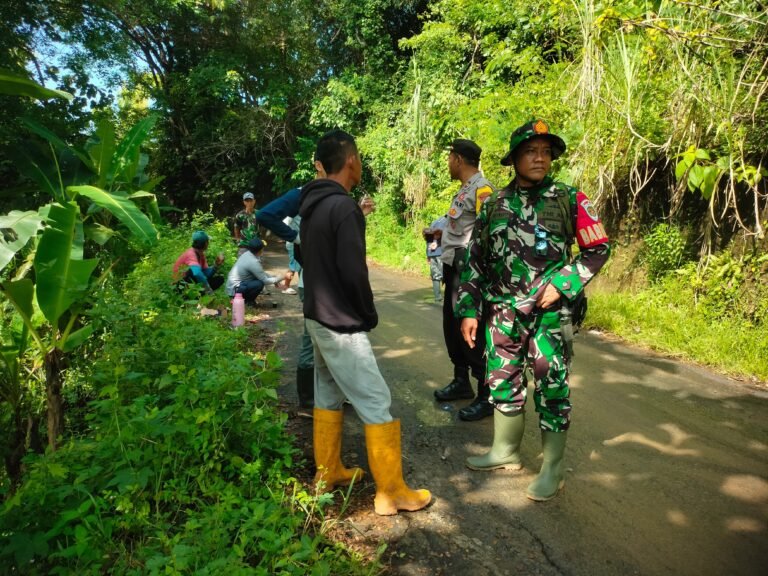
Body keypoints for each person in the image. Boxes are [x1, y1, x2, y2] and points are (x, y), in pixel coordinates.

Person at [457, 119, 610, 501]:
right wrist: (469, 309)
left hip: (549, 316)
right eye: (531, 151)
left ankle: (553, 469)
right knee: (502, 380)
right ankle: (505, 451)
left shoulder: (570, 198)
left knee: (552, 387)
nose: (540, 158)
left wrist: (563, 284)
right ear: (514, 159)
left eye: (545, 151)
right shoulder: (493, 204)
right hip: (502, 313)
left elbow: (598, 248)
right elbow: (474, 260)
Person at [299, 129, 431, 516]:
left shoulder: (312, 206)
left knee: (327, 394)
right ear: (351, 160)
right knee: (375, 400)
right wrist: (366, 314)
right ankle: (391, 492)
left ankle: (328, 473)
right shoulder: (344, 208)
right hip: (341, 323)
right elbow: (354, 273)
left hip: (316, 317)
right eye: (358, 158)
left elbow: (309, 260)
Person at [256, 160, 326, 413]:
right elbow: (265, 215)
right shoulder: (302, 195)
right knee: (311, 338)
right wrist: (296, 238)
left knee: (330, 340)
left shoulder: (334, 197)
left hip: (329, 283)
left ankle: (327, 393)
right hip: (312, 282)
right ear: (319, 166)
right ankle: (307, 400)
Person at [432, 139, 495, 422]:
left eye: (449, 158)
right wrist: (436, 233)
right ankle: (461, 381)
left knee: (471, 331)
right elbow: (460, 226)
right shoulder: (464, 191)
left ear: (458, 159)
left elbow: (488, 231)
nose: (448, 163)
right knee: (452, 327)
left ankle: (486, 394)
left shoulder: (483, 190)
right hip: (452, 268)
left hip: (468, 272)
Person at [225, 237, 284, 305]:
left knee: (258, 280)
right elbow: (264, 280)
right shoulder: (253, 262)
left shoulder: (248, 254)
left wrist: (274, 279)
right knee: (259, 284)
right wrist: (280, 278)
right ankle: (247, 302)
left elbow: (261, 273)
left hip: (233, 287)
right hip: (235, 290)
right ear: (261, 250)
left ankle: (245, 300)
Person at [423, 215, 447, 304]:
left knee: (435, 276)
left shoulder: (435, 222)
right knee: (445, 275)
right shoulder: (447, 222)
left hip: (432, 253)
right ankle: (447, 297)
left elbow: (428, 239)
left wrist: (428, 254)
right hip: (442, 252)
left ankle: (437, 297)